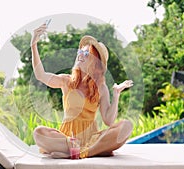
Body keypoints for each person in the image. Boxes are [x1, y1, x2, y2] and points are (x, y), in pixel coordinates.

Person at [30, 23, 134, 159]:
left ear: (95, 63)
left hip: (92, 139)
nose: (80, 55)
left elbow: (108, 120)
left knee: (126, 126)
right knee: (39, 133)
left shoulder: (101, 88)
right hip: (68, 139)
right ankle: (78, 150)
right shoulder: (67, 81)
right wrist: (34, 45)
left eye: (86, 53)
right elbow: (40, 75)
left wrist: (116, 94)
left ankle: (82, 153)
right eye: (80, 51)